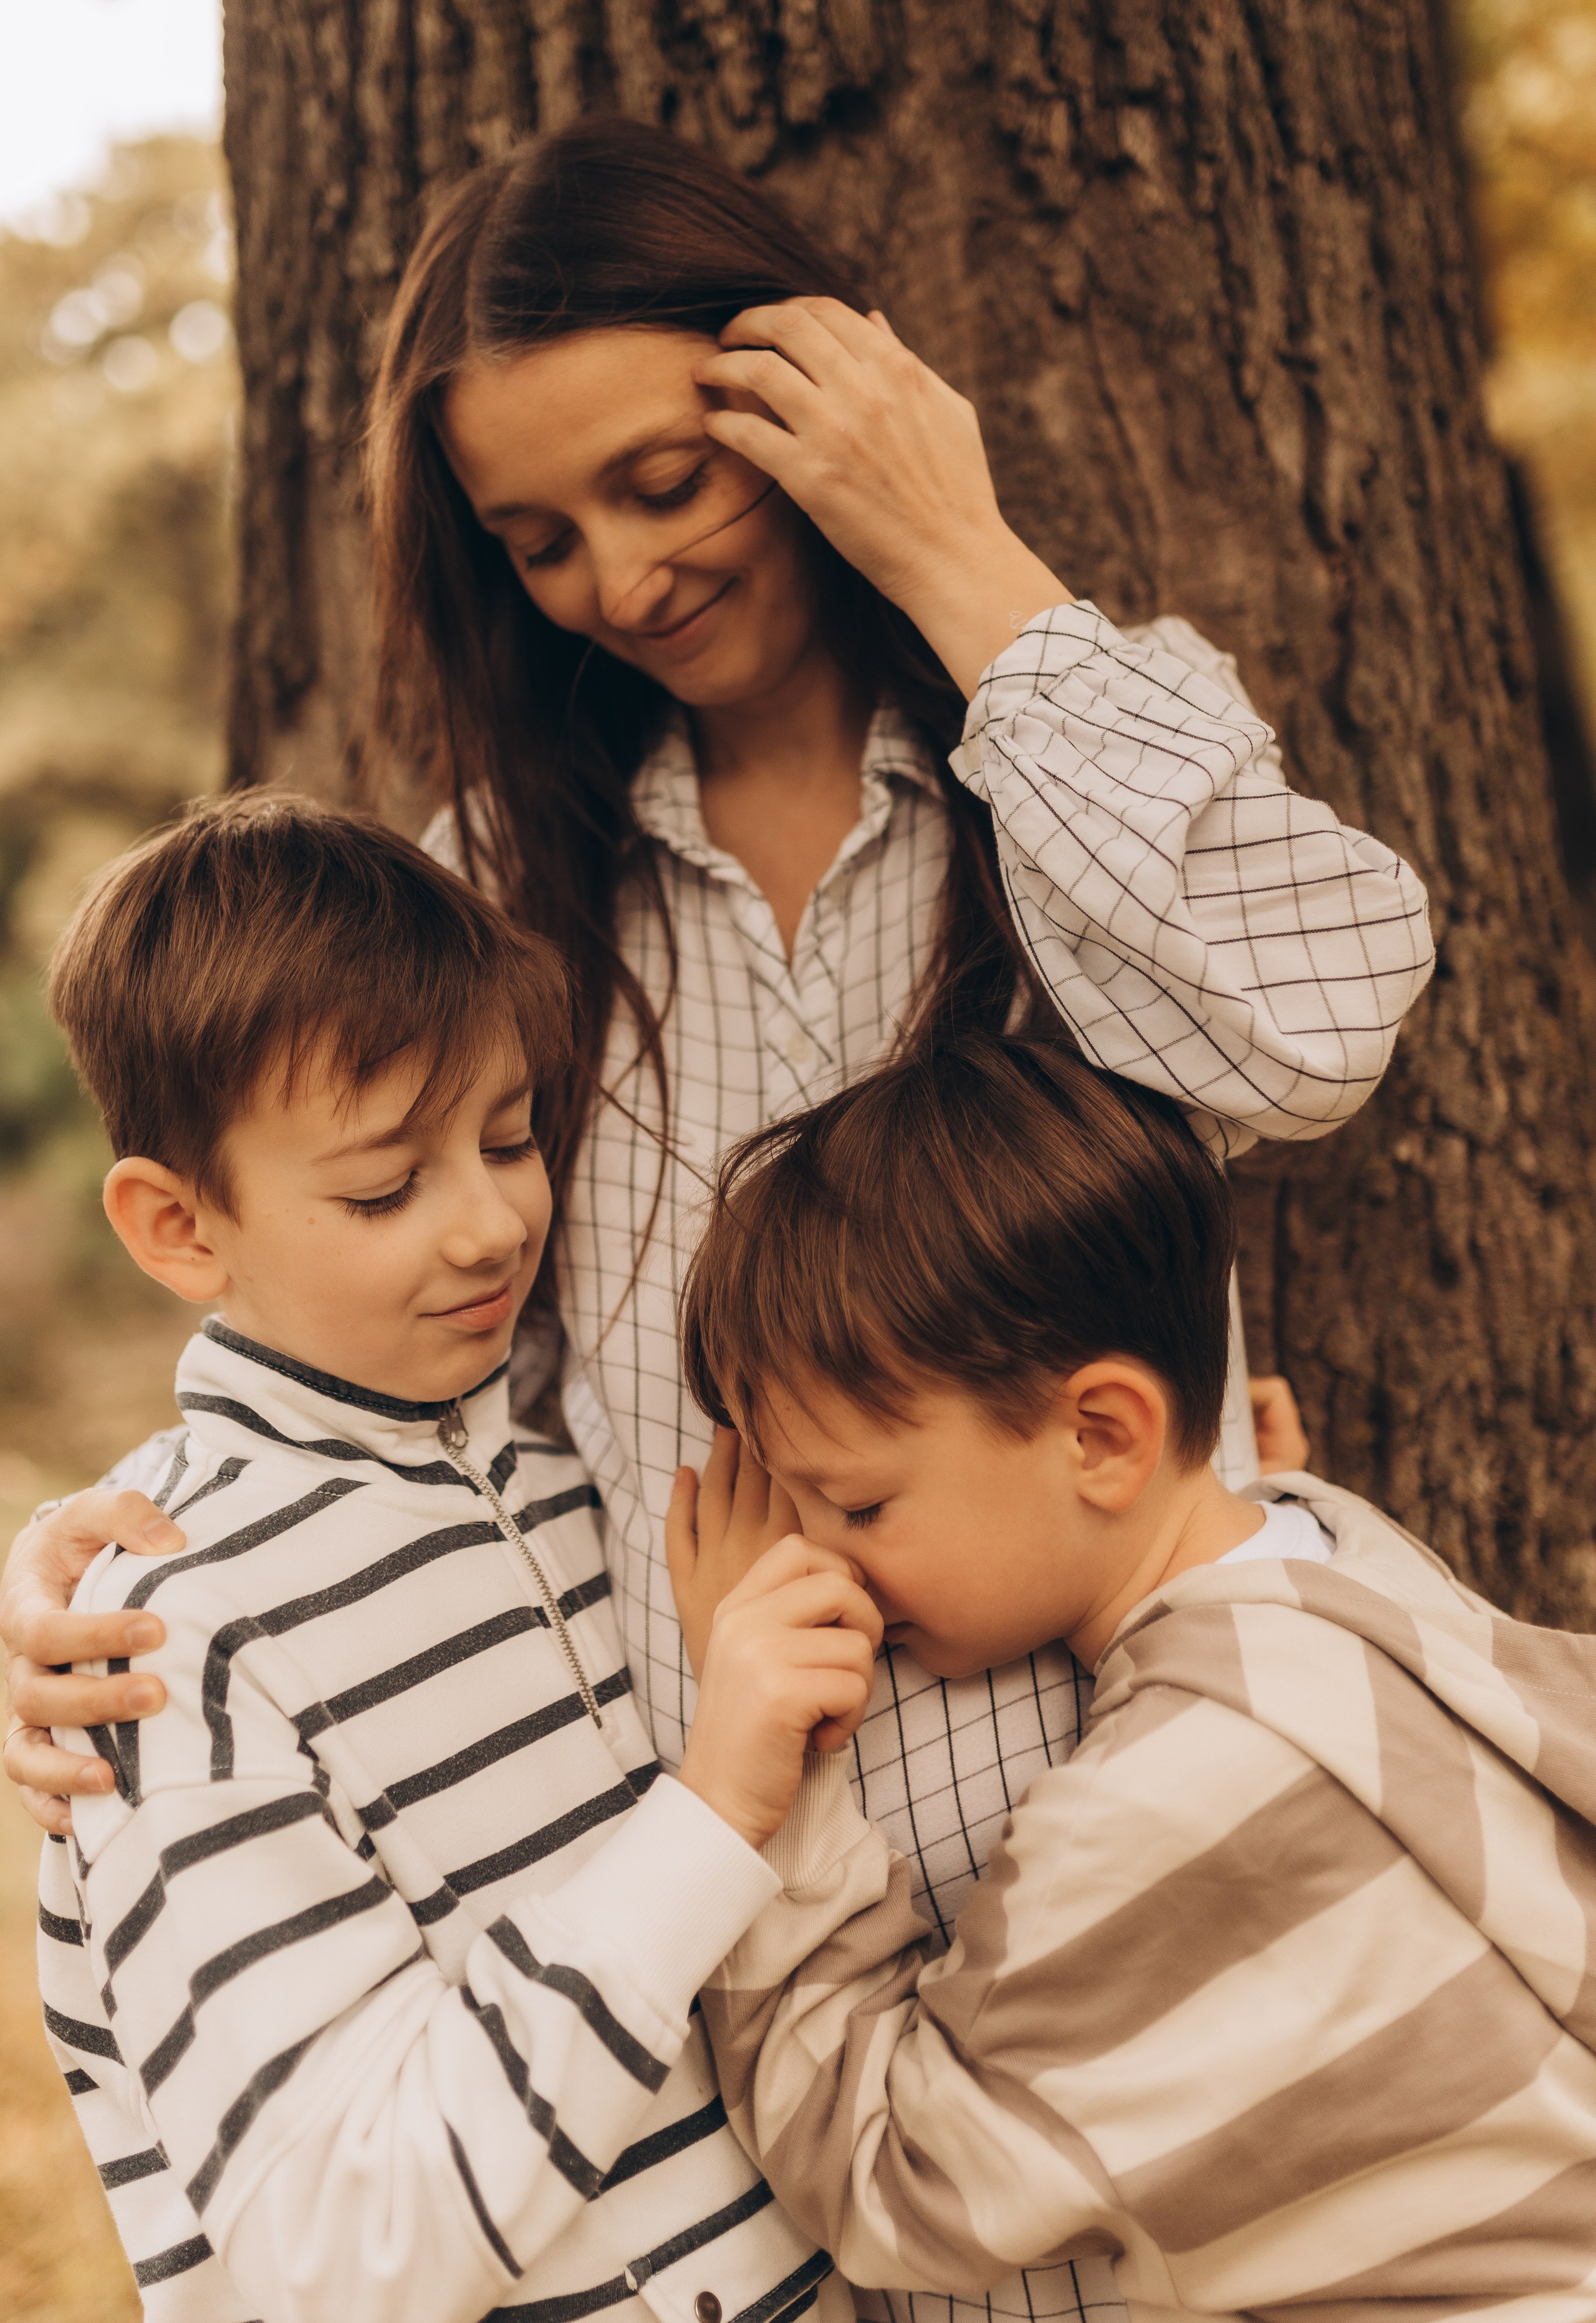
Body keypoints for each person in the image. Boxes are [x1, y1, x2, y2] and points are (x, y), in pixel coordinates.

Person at [6, 118, 1433, 2323]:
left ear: (814, 400)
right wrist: (127, 1545)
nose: (622, 579)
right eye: (540, 539)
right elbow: (405, 1329)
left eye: (667, 482)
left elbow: (1326, 1026)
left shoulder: (1075, 760)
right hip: (792, 2050)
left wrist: (958, 552)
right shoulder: (505, 892)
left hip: (1168, 1918)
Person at [33, 791, 880, 2323]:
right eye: (384, 1187)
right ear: (179, 1229)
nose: (492, 1225)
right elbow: (344, 2253)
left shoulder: (573, 1472)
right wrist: (711, 1812)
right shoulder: (171, 1641)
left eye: (510, 1138)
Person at [667, 1035, 1596, 2318]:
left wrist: (781, 1806)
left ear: (1103, 1438)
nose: (816, 1557)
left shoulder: (1167, 1802)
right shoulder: (1349, 1563)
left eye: (859, 1505)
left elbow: (898, 2180)